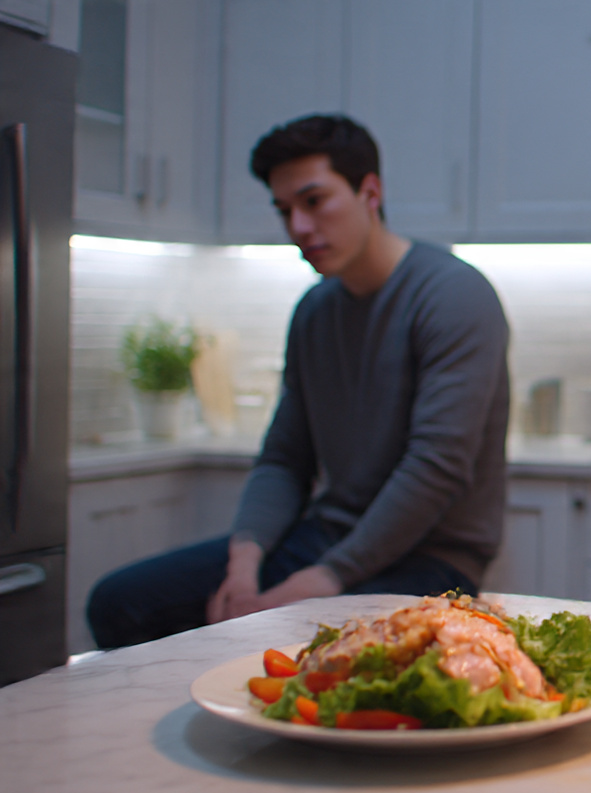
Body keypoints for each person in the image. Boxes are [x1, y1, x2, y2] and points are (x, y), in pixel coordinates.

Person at [88, 115, 511, 648]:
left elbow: (436, 466)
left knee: (308, 640)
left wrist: (322, 581)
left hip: (431, 556)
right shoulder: (314, 311)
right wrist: (245, 561)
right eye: (285, 210)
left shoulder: (452, 295)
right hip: (323, 537)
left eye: (314, 201)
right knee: (120, 604)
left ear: (369, 191)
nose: (298, 227)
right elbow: (284, 459)